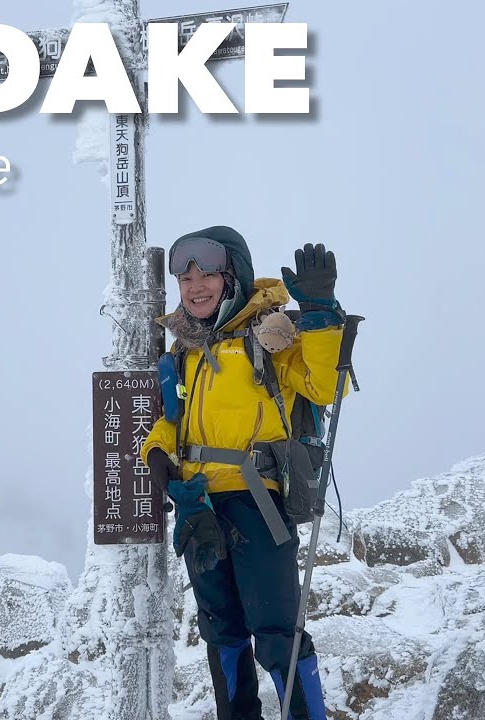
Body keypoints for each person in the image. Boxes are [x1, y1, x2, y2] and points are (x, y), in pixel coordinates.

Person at [142, 226, 346, 720]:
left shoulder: (271, 335)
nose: (194, 286)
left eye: (207, 273)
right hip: (197, 507)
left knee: (277, 633)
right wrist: (158, 456)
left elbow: (323, 385)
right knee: (222, 634)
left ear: (233, 275)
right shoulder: (183, 353)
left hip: (258, 502)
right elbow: (173, 423)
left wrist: (320, 314)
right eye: (185, 277)